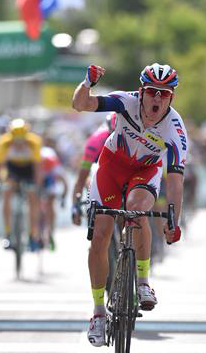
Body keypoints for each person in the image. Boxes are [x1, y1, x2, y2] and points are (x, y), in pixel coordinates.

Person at [72, 63, 186, 347]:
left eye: (164, 94)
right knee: (100, 236)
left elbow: (174, 180)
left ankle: (143, 282)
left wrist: (174, 220)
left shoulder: (175, 129)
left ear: (171, 98)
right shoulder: (126, 102)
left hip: (145, 171)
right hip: (112, 166)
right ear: (141, 91)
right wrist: (87, 83)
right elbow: (80, 105)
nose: (157, 99)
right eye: (152, 92)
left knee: (138, 211)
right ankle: (98, 313)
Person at [0, 118, 43, 250]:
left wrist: (37, 186)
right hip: (12, 169)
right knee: (7, 193)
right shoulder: (3, 143)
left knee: (33, 199)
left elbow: (37, 167)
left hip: (28, 169)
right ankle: (8, 233)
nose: (19, 144)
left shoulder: (34, 142)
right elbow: (0, 167)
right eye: (16, 141)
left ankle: (32, 235)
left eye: (22, 140)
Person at [71, 113, 117, 225]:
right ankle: (93, 221)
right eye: (114, 133)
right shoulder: (96, 140)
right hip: (98, 165)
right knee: (89, 180)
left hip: (118, 168)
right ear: (109, 130)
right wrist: (75, 208)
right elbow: (82, 177)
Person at [40, 138, 68, 249]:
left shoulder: (51, 161)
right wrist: (63, 199)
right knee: (47, 206)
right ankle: (48, 231)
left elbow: (64, 181)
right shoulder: (51, 159)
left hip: (47, 181)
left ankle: (47, 232)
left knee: (47, 204)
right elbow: (65, 183)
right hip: (41, 180)